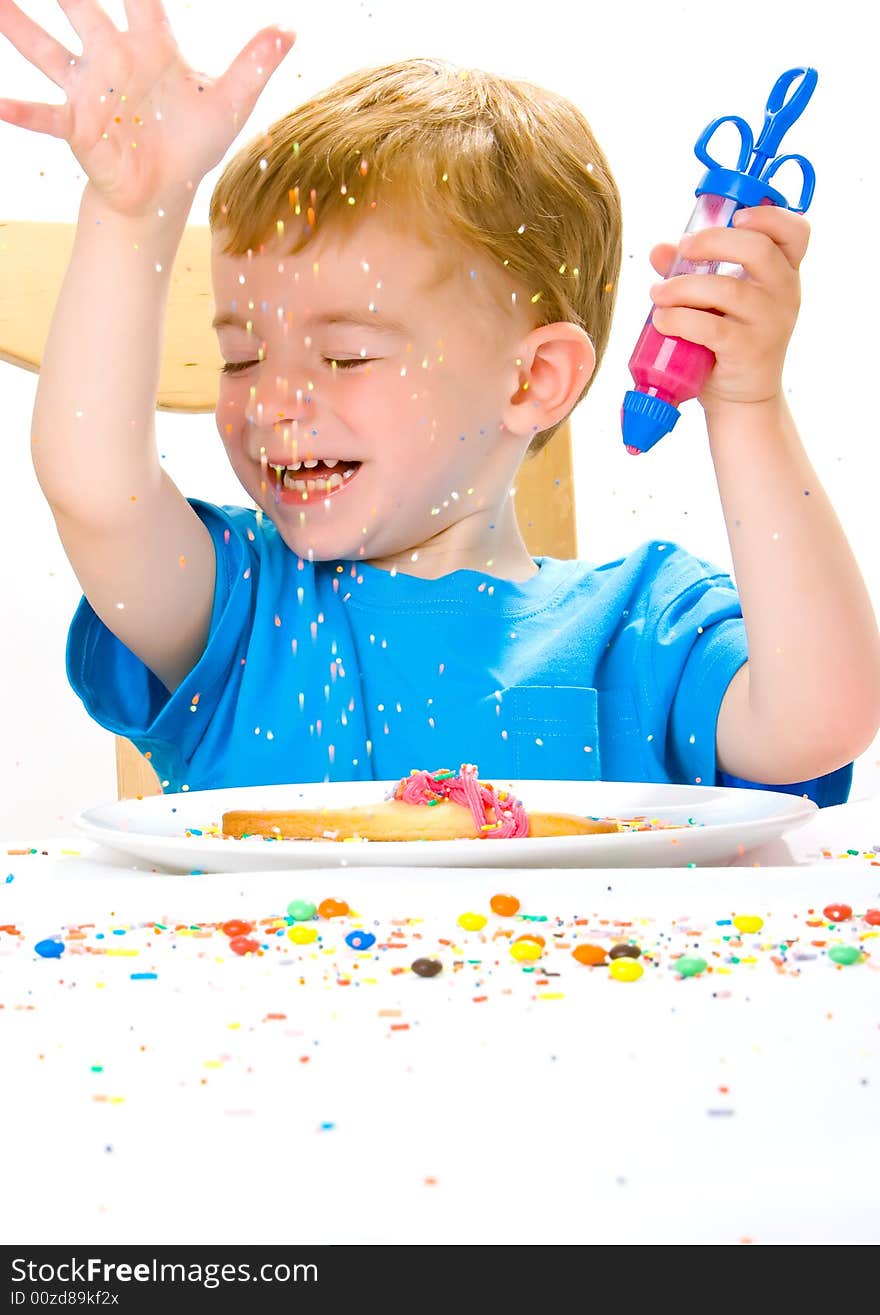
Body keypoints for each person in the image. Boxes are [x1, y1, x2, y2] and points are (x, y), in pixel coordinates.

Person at [3, 1, 879, 804]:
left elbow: (820, 721)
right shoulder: (239, 612)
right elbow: (93, 486)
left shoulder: (642, 630)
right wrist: (137, 213)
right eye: (241, 356)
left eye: (344, 354)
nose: (271, 399)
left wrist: (747, 403)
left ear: (533, 381)